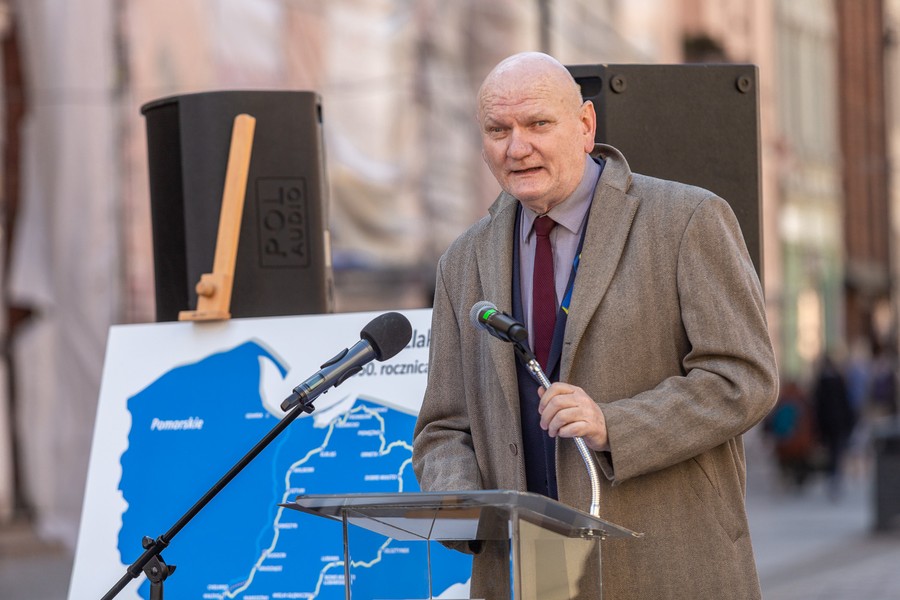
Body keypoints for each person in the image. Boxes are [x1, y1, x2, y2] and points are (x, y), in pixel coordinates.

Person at [412, 52, 779, 599]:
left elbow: (743, 379)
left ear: (585, 125)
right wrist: (466, 503)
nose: (517, 147)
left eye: (538, 123)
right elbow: (443, 428)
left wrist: (614, 425)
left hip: (662, 570)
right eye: (498, 130)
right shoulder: (463, 260)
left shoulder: (687, 220)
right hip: (523, 577)